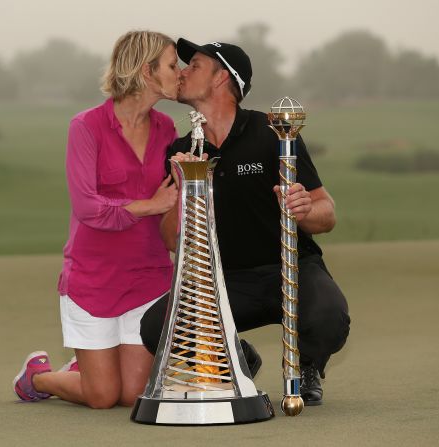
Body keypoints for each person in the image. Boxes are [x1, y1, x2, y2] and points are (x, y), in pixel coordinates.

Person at [140, 38, 351, 406]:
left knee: (329, 315)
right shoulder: (184, 149)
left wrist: (304, 209)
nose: (184, 72)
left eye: (195, 66)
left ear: (223, 78)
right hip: (225, 281)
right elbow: (173, 240)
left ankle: (308, 363)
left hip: (291, 267)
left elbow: (326, 213)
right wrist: (183, 188)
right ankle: (237, 359)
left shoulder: (272, 133)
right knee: (156, 327)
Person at [12, 31, 181, 409]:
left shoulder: (168, 129)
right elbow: (89, 208)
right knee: (102, 397)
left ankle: (86, 367)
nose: (180, 73)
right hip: (94, 277)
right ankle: (37, 376)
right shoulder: (86, 127)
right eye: (172, 65)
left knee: (131, 395)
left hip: (148, 275)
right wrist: (149, 205)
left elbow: (172, 198)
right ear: (145, 71)